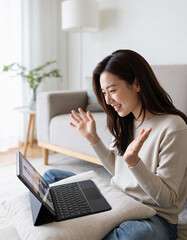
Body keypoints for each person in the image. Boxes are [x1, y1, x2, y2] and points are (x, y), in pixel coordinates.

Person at [43, 50, 187, 240]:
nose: (108, 101)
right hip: (117, 202)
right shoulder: (126, 121)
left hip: (153, 217)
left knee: (137, 235)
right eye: (104, 93)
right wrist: (93, 139)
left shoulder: (173, 127)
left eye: (112, 90)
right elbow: (118, 172)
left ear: (137, 84)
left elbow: (166, 199)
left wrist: (134, 163)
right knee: (51, 176)